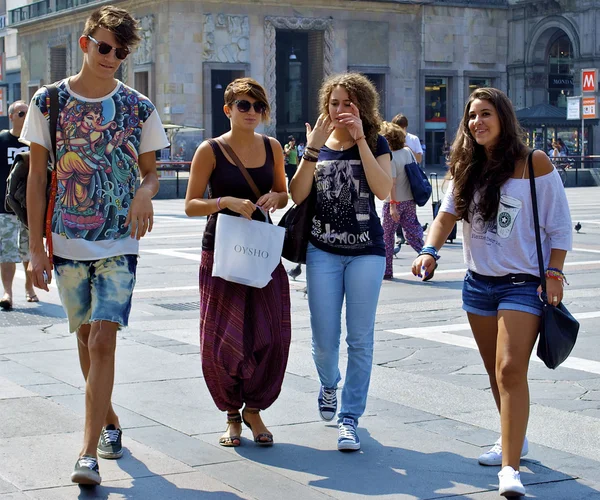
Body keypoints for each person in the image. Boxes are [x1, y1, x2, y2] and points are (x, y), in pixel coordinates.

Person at [22, 5, 169, 486]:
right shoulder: (48, 102)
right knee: (85, 339)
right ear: (86, 42)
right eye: (105, 46)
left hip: (119, 240)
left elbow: (151, 174)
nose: (111, 57)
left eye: (121, 51)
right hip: (65, 239)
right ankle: (109, 422)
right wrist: (36, 248)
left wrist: (145, 197)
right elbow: (37, 182)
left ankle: (87, 453)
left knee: (104, 339)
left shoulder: (138, 108)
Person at [411, 88, 572, 497]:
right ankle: (514, 437)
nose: (476, 122)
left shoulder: (533, 163)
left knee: (509, 370)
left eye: (485, 114)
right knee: (494, 374)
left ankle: (510, 469)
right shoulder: (467, 165)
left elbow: (559, 224)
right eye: (471, 116)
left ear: (503, 118)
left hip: (522, 284)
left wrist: (554, 271)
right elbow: (446, 216)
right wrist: (429, 250)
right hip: (478, 283)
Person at [184, 78, 290, 449]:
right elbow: (190, 204)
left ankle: (254, 408)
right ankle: (232, 414)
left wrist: (276, 197)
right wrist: (224, 201)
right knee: (222, 336)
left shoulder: (272, 146)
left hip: (261, 249)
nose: (252, 112)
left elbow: (284, 191)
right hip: (222, 250)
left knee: (270, 332)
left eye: (258, 106)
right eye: (243, 105)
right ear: (227, 109)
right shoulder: (210, 150)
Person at [290, 73, 392, 452]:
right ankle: (329, 382)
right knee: (323, 337)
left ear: (362, 107)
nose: (340, 110)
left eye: (348, 103)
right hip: (323, 250)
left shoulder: (377, 141)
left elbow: (384, 190)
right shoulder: (319, 143)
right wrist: (311, 148)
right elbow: (297, 195)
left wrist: (363, 139)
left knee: (360, 338)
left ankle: (350, 417)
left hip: (366, 250)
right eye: (334, 103)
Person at [0, 101, 36, 309]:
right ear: (11, 116)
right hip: (4, 206)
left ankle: (29, 288)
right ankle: (7, 293)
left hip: (29, 207)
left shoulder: (33, 143)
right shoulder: (3, 139)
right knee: (7, 251)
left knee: (28, 251)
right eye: (21, 113)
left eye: (27, 113)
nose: (25, 116)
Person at [379, 121, 424, 280]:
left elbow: (392, 181)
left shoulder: (389, 156)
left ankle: (387, 270)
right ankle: (427, 255)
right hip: (410, 200)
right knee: (412, 231)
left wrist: (392, 205)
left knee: (387, 236)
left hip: (394, 201)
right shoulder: (407, 152)